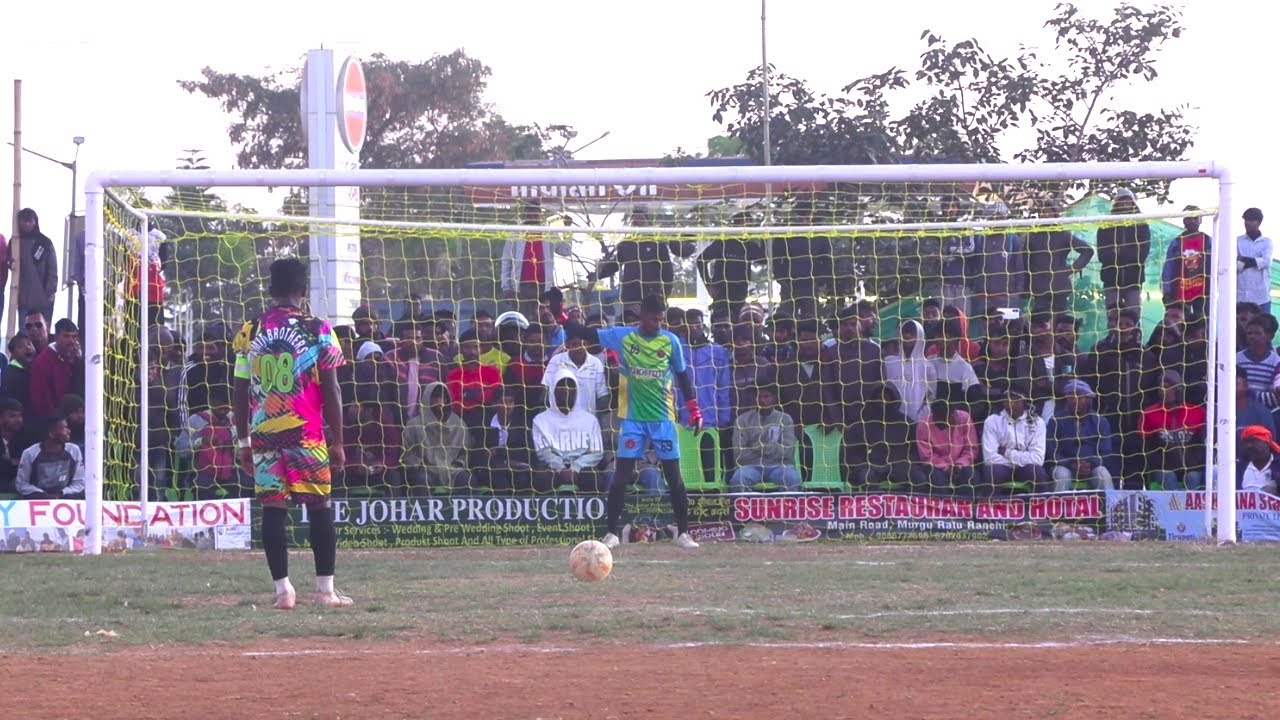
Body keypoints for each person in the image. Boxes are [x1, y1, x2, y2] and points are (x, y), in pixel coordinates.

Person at [232, 258, 350, 610]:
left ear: (271, 290)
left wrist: (243, 440)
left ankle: (284, 592)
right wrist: (338, 440)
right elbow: (331, 388)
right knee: (320, 507)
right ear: (304, 290)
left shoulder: (250, 330)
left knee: (273, 509)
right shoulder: (319, 329)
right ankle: (326, 591)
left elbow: (239, 388)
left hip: (264, 435)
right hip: (306, 435)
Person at [548, 289, 702, 549]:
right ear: (642, 315)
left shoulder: (671, 341)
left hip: (663, 420)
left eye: (661, 319)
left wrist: (694, 409)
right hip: (633, 421)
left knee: (674, 478)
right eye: (654, 318)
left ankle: (684, 533)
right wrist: (558, 312)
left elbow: (682, 376)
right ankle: (612, 533)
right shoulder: (623, 337)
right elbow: (583, 332)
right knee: (620, 477)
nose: (658, 323)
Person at [500, 202, 556, 319]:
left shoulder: (549, 232)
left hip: (544, 288)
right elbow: (506, 261)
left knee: (542, 320)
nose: (532, 217)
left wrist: (566, 230)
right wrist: (506, 287)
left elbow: (565, 251)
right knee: (523, 320)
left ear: (540, 215)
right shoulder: (516, 232)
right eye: (529, 214)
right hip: (521, 288)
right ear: (524, 215)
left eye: (535, 214)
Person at [1096, 189, 1150, 309]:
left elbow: (1143, 253)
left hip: (1134, 278)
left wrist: (1120, 252)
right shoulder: (1106, 225)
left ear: (1133, 203)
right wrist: (1123, 253)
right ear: (1116, 204)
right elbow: (1102, 255)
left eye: (1128, 201)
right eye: (1122, 201)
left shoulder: (1141, 224)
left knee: (1133, 314)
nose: (1125, 204)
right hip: (1111, 279)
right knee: (1113, 314)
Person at [14, 416, 84, 500]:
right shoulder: (29, 453)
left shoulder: (74, 450)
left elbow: (79, 482)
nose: (69, 431)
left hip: (66, 497)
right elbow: (21, 484)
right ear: (51, 434)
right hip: (38, 498)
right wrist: (43, 494)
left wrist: (62, 493)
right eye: (64, 428)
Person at [1161, 206, 1212, 319]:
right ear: (1183, 220)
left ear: (1200, 220)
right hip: (1180, 293)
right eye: (1189, 218)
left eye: (1195, 218)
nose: (1192, 221)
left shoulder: (1208, 241)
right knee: (1180, 323)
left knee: (1203, 322)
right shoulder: (1176, 242)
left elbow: (1216, 266)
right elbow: (1168, 268)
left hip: (1204, 293)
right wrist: (1167, 292)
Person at [14, 208, 58, 323]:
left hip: (44, 300)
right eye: (24, 221)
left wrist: (49, 294)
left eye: (30, 221)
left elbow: (53, 271)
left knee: (43, 331)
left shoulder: (45, 242)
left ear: (35, 222)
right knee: (25, 331)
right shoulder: (14, 242)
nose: (27, 224)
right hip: (23, 300)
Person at [1237, 208, 1271, 314]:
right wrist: (1256, 262)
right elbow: (1235, 265)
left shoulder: (1266, 242)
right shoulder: (1237, 241)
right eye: (1246, 220)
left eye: (1251, 220)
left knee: (1263, 323)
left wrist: (1244, 260)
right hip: (1241, 296)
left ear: (1258, 222)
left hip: (1261, 296)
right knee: (1240, 324)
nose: (1247, 222)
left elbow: (1266, 262)